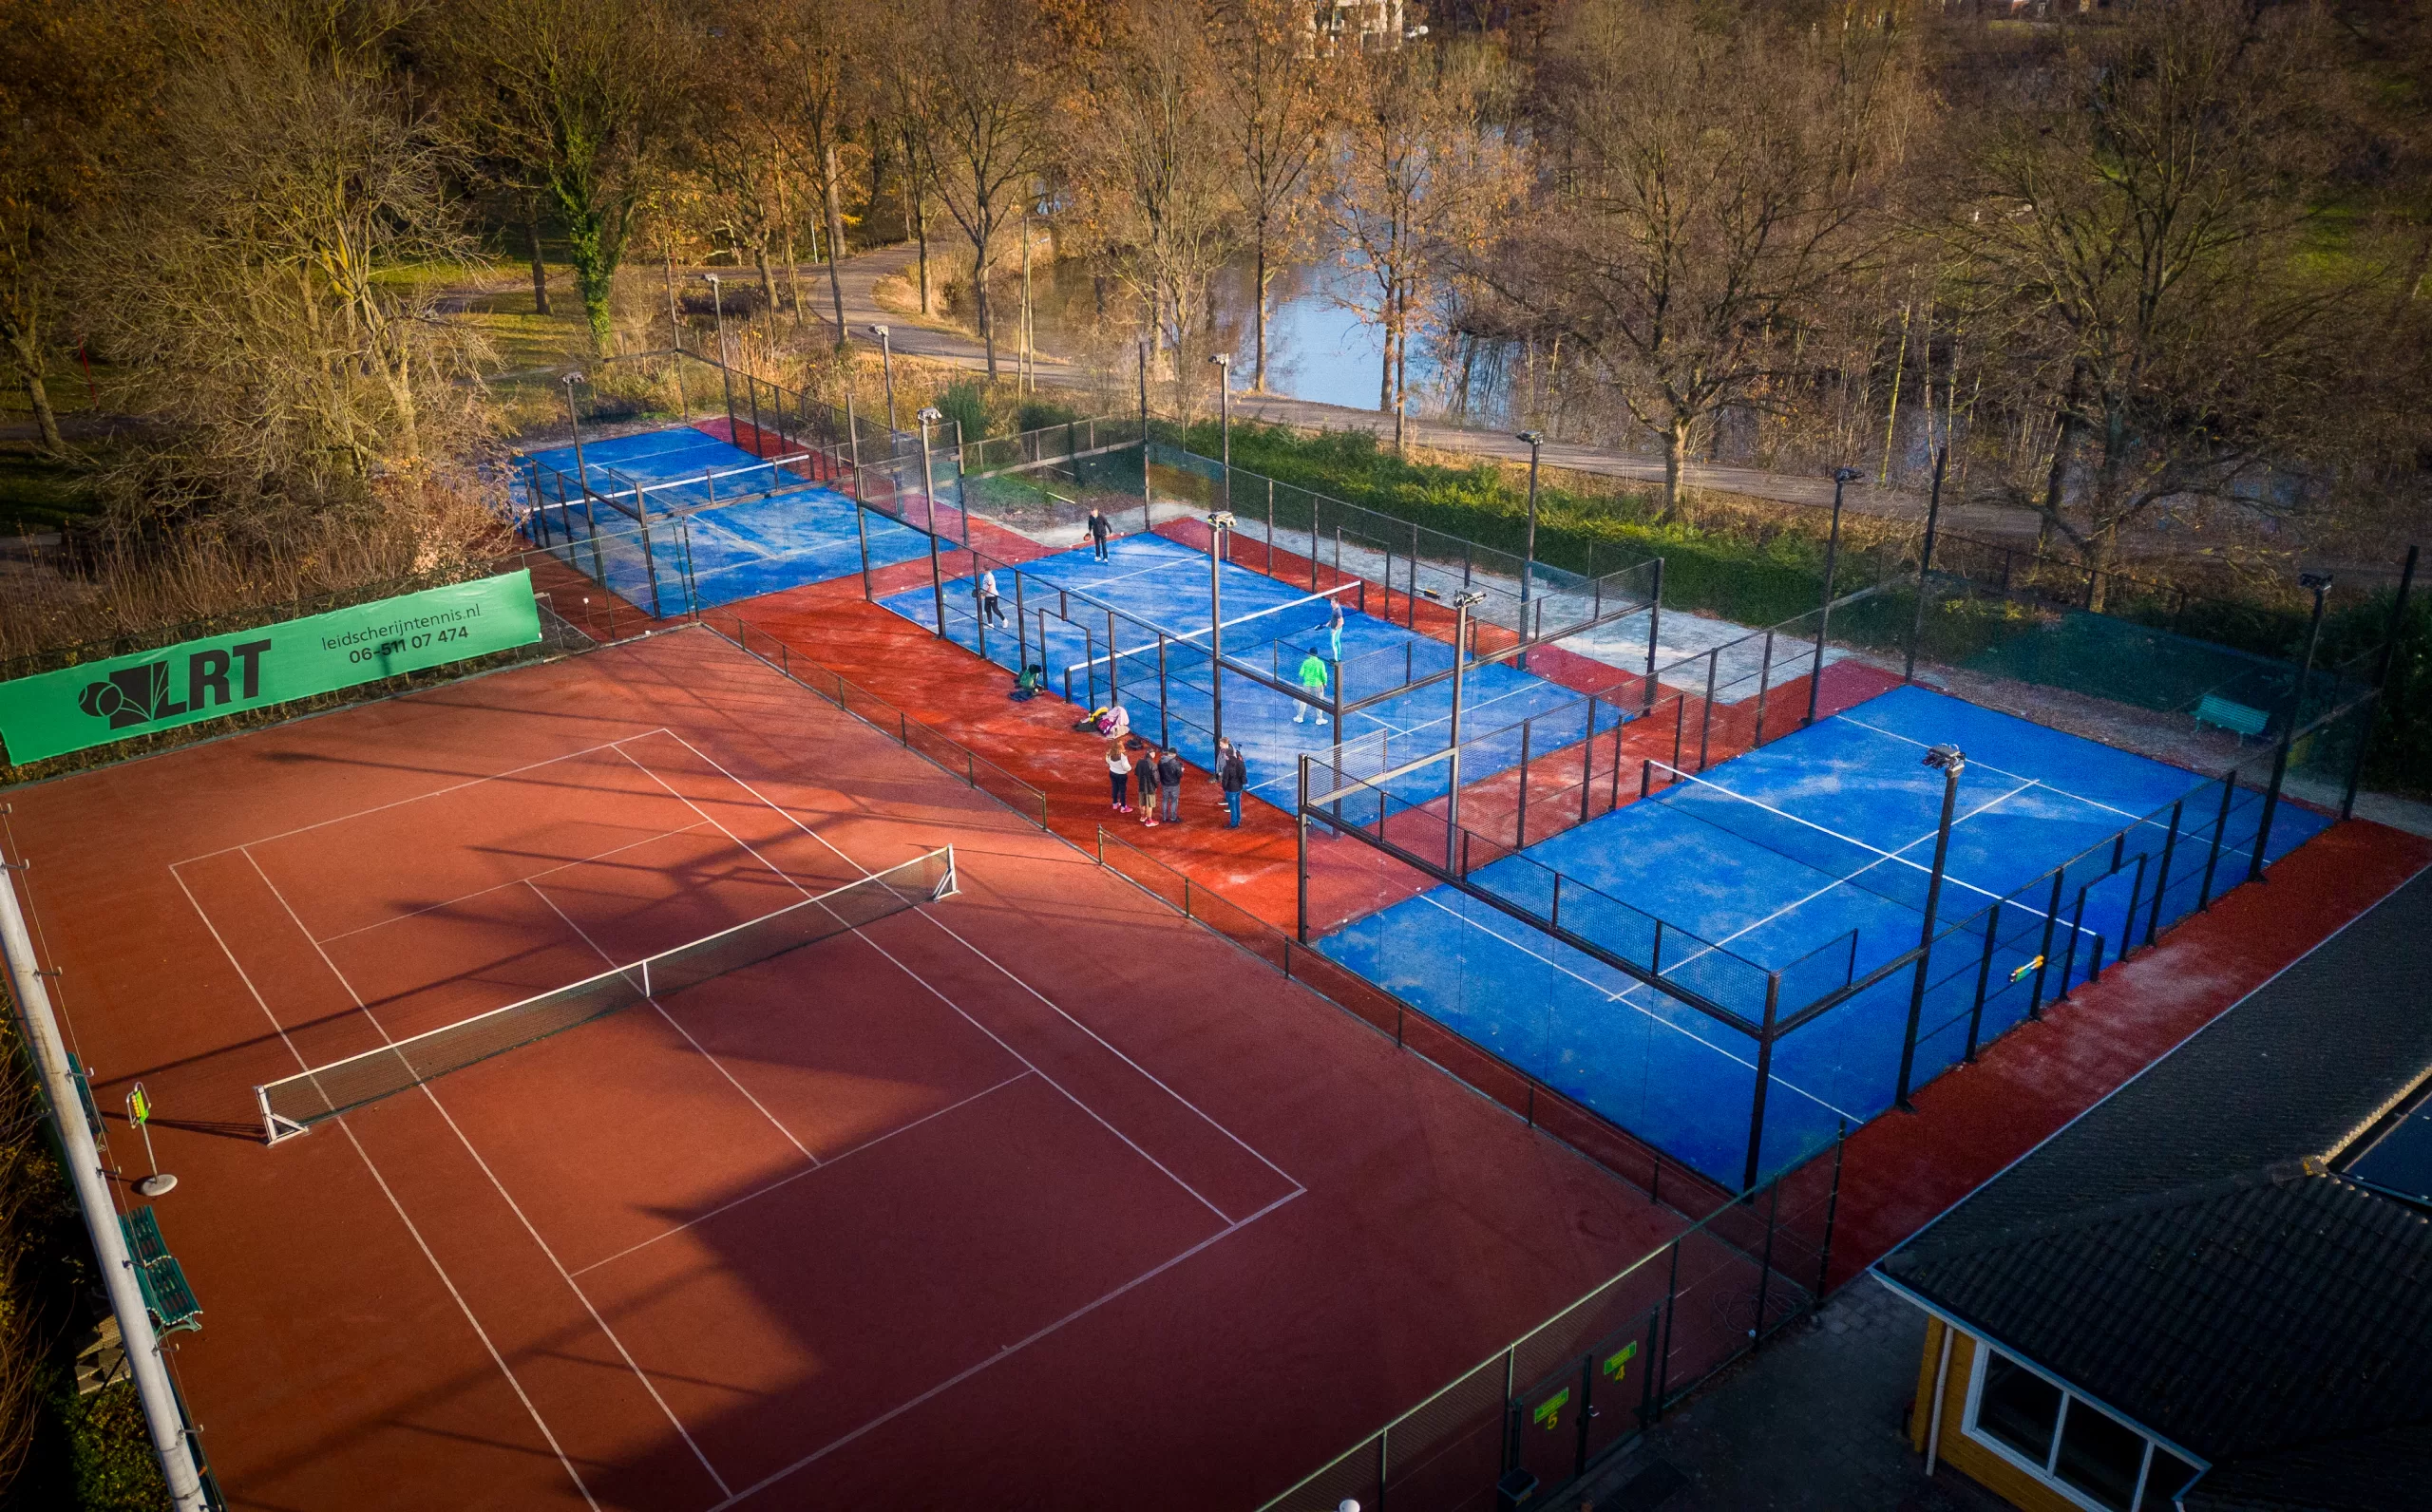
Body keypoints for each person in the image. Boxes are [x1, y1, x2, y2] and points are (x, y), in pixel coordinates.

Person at [1292, 651, 1331, 725]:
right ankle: (1319, 719)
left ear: (1309, 654)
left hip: (1307, 684)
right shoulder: (1320, 663)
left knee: (1303, 701)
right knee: (1319, 702)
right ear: (1317, 654)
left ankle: (1300, 717)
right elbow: (1323, 674)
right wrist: (1325, 682)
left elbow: (1301, 673)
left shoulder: (1306, 662)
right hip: (1318, 685)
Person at [1130, 737, 1161, 825]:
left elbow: (1136, 772)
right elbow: (1156, 778)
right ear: (1151, 754)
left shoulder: (1140, 762)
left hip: (1141, 785)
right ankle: (1149, 820)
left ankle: (1143, 816)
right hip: (1150, 787)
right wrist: (1155, 786)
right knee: (1150, 804)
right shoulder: (1153, 765)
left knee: (1142, 802)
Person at [1219, 743, 1247, 827]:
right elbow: (1243, 773)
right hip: (1239, 787)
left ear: (1227, 756)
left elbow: (1225, 780)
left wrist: (1225, 788)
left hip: (1231, 789)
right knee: (1237, 804)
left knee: (1232, 807)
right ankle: (1238, 819)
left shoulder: (1227, 768)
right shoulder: (1240, 762)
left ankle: (1234, 823)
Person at [1157, 746, 1184, 824]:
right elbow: (1179, 775)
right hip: (1174, 785)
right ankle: (1173, 818)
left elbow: (1159, 772)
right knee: (1174, 801)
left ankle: (1164, 817)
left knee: (1165, 800)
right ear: (1175, 754)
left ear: (1168, 753)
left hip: (1164, 784)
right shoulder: (1176, 763)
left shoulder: (1161, 761)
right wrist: (1181, 770)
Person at [1107, 739, 1134, 814]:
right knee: (1122, 791)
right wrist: (1129, 769)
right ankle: (1123, 807)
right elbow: (1126, 767)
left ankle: (1115, 803)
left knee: (1115, 788)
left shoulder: (1109, 753)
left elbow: (1108, 761)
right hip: (1121, 775)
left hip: (1112, 772)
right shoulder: (1122, 756)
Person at [1327, 599, 1345, 663]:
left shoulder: (1338, 611)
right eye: (1331, 603)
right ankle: (1338, 658)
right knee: (1337, 642)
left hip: (1336, 629)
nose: (1331, 604)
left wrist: (1335, 629)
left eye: (1333, 603)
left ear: (1336, 603)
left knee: (1334, 643)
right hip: (1337, 628)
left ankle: (1336, 660)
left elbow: (1341, 622)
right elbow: (1334, 618)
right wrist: (1329, 622)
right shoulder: (1335, 609)